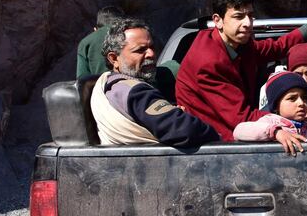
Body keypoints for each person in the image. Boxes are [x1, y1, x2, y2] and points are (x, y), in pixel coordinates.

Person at [176, 0, 307, 141]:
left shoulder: (241, 44)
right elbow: (241, 117)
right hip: (212, 145)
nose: (247, 23)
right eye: (238, 16)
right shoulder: (207, 61)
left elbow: (279, 46)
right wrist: (302, 115)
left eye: (250, 16)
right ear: (218, 20)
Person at [90, 18, 219, 147]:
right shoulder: (135, 92)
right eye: (140, 50)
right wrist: (216, 135)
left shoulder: (117, 86)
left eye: (151, 47)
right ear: (114, 58)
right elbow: (184, 129)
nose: (151, 54)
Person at [235, 72, 307, 154]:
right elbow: (238, 131)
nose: (301, 103)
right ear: (276, 106)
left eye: (304, 98)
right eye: (292, 98)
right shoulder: (270, 121)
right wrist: (276, 132)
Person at [76, 6, 124, 78]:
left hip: (100, 87)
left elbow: (82, 79)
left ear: (95, 29)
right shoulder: (132, 34)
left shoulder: (85, 42)